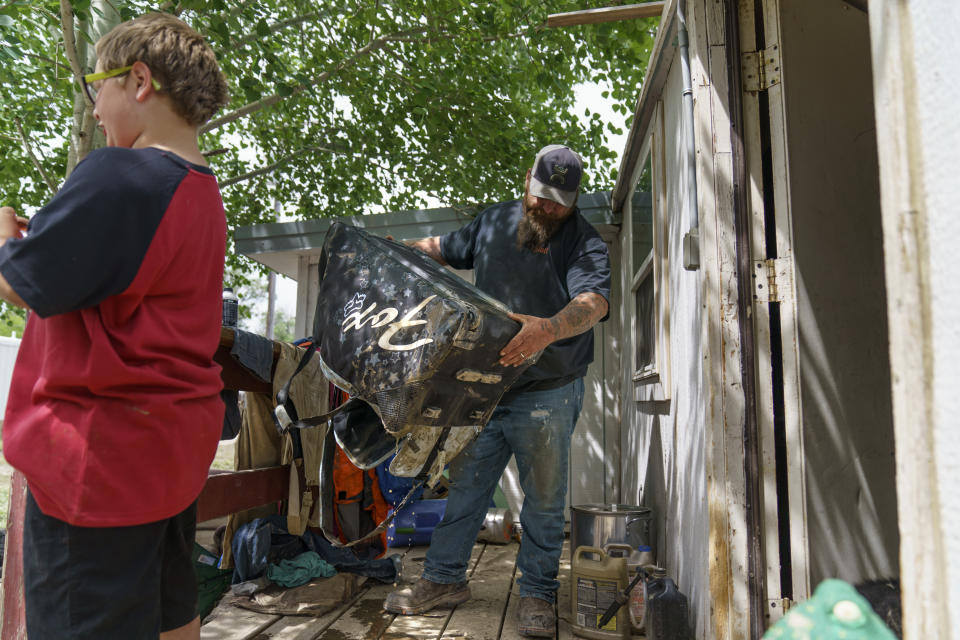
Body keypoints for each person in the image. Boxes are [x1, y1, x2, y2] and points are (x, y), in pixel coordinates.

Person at [0, 13, 229, 639]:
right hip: (169, 456)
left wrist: (5, 239)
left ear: (139, 80)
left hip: (97, 466)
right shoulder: (203, 194)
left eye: (95, 86)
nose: (96, 109)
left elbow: (19, 284)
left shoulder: (120, 173)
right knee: (171, 616)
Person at [384, 144, 611, 637]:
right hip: (482, 389)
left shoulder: (583, 241)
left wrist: (549, 328)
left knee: (544, 498)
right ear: (526, 179)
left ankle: (537, 593)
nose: (546, 208)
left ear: (574, 200)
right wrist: (399, 252)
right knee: (467, 486)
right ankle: (443, 579)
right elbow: (443, 249)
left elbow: (593, 302)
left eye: (559, 202)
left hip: (548, 390)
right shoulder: (492, 222)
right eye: (541, 195)